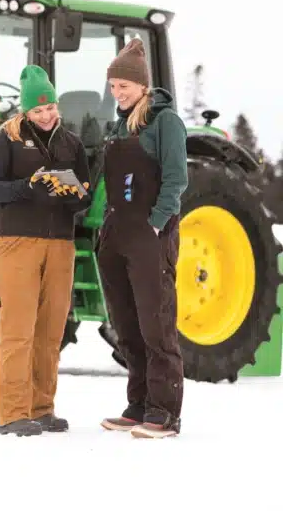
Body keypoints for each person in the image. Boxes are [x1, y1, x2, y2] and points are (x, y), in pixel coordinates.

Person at [0, 64, 92, 437]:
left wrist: (78, 198)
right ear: (25, 111)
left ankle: (41, 408)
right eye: (38, 110)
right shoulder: (7, 139)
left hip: (60, 243)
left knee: (50, 331)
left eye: (50, 108)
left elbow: (84, 194)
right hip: (16, 242)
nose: (46, 116)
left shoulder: (72, 144)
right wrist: (27, 189)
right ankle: (13, 413)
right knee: (18, 330)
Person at [97, 38, 188, 439]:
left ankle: (164, 411)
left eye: (125, 87)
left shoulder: (166, 121)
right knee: (127, 325)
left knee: (156, 323)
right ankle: (138, 405)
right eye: (114, 86)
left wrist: (156, 222)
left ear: (143, 86)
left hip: (150, 236)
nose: (118, 93)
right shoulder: (119, 122)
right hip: (117, 235)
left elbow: (176, 179)